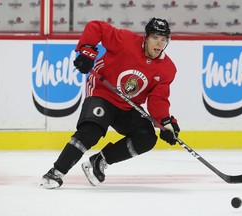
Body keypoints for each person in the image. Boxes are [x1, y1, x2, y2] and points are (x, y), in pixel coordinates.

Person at [40, 17, 180, 189]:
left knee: (146, 138)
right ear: (146, 37)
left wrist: (165, 123)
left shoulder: (167, 68)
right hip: (103, 93)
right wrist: (87, 51)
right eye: (155, 37)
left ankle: (100, 160)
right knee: (90, 131)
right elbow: (96, 27)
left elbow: (158, 99)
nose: (159, 43)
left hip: (128, 106)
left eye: (163, 39)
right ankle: (56, 171)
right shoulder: (126, 41)